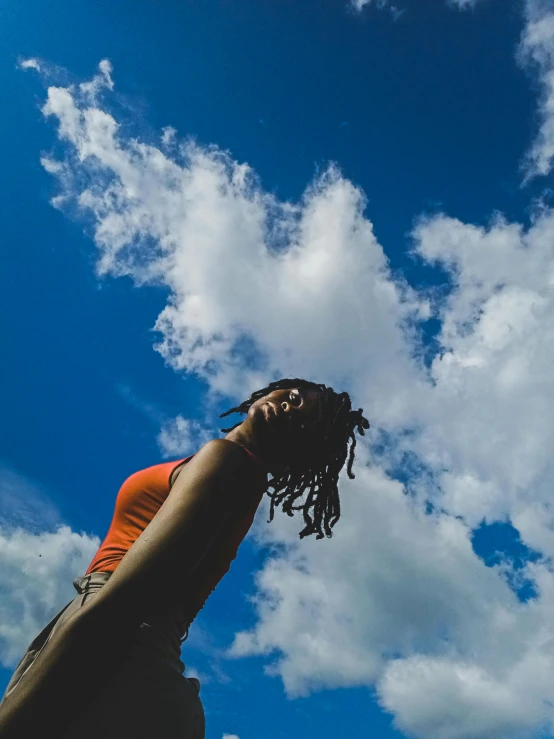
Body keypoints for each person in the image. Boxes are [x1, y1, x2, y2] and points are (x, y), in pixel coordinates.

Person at [0, 378, 369, 738]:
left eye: (306, 420)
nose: (291, 406)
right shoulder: (234, 469)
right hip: (123, 659)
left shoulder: (229, 461)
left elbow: (123, 604)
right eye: (291, 395)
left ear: (300, 451)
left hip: (113, 656)